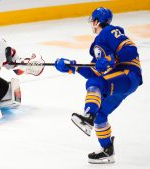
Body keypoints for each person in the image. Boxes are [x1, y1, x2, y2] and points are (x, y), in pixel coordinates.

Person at [54, 7, 142, 164]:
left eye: (92, 21)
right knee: (100, 113)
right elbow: (94, 72)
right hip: (121, 81)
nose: (92, 25)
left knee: (95, 84)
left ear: (96, 21)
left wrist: (111, 61)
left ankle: (88, 117)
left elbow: (131, 49)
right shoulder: (98, 45)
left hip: (128, 74)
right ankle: (107, 150)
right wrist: (71, 67)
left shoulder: (109, 32)